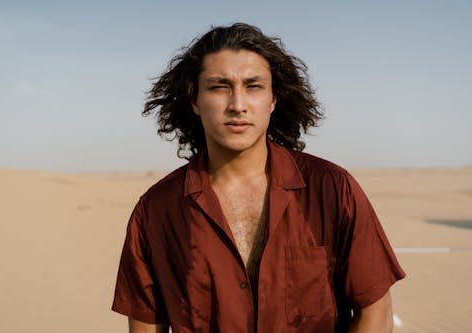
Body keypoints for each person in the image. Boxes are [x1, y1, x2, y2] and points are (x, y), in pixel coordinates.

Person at [112, 23, 405, 333]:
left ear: (273, 99)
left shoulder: (333, 188)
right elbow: (145, 326)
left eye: (253, 86)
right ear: (195, 101)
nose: (238, 105)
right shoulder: (156, 211)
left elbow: (374, 308)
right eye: (219, 86)